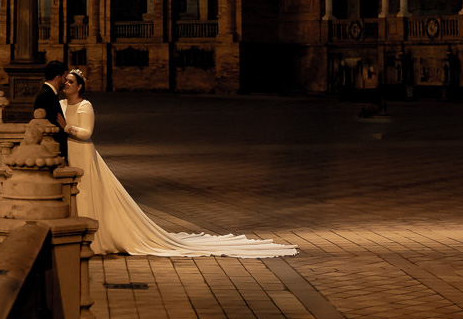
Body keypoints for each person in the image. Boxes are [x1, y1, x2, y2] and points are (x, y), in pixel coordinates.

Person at [59, 69, 294, 258]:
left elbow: (86, 132)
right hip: (70, 155)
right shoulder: (60, 105)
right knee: (77, 195)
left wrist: (66, 127)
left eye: (70, 81)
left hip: (84, 154)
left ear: (80, 86)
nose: (66, 84)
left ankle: (94, 238)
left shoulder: (84, 106)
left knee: (88, 193)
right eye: (65, 81)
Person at [32, 59, 68, 150]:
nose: (65, 82)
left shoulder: (49, 92)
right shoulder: (46, 95)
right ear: (58, 78)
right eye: (65, 78)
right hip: (51, 147)